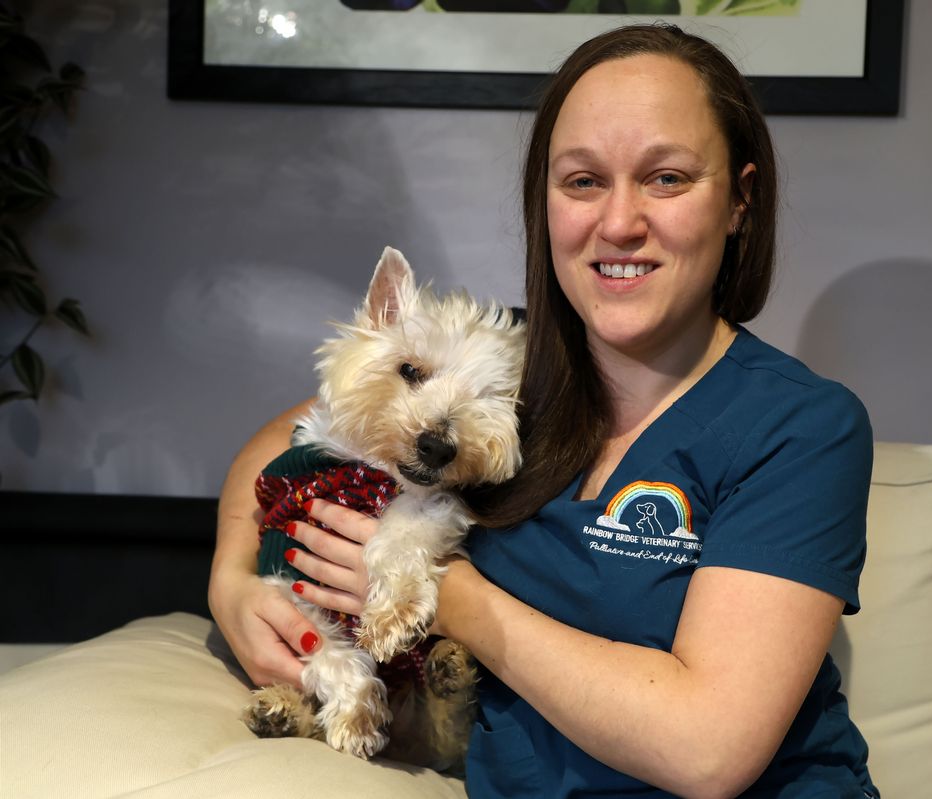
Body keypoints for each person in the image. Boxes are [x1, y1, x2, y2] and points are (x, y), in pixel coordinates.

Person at [210, 23, 879, 799]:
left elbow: (708, 751)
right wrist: (233, 582)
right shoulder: (508, 368)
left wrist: (454, 600)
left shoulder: (801, 428)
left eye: (666, 177)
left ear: (739, 200)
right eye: (583, 181)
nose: (619, 222)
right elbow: (302, 427)